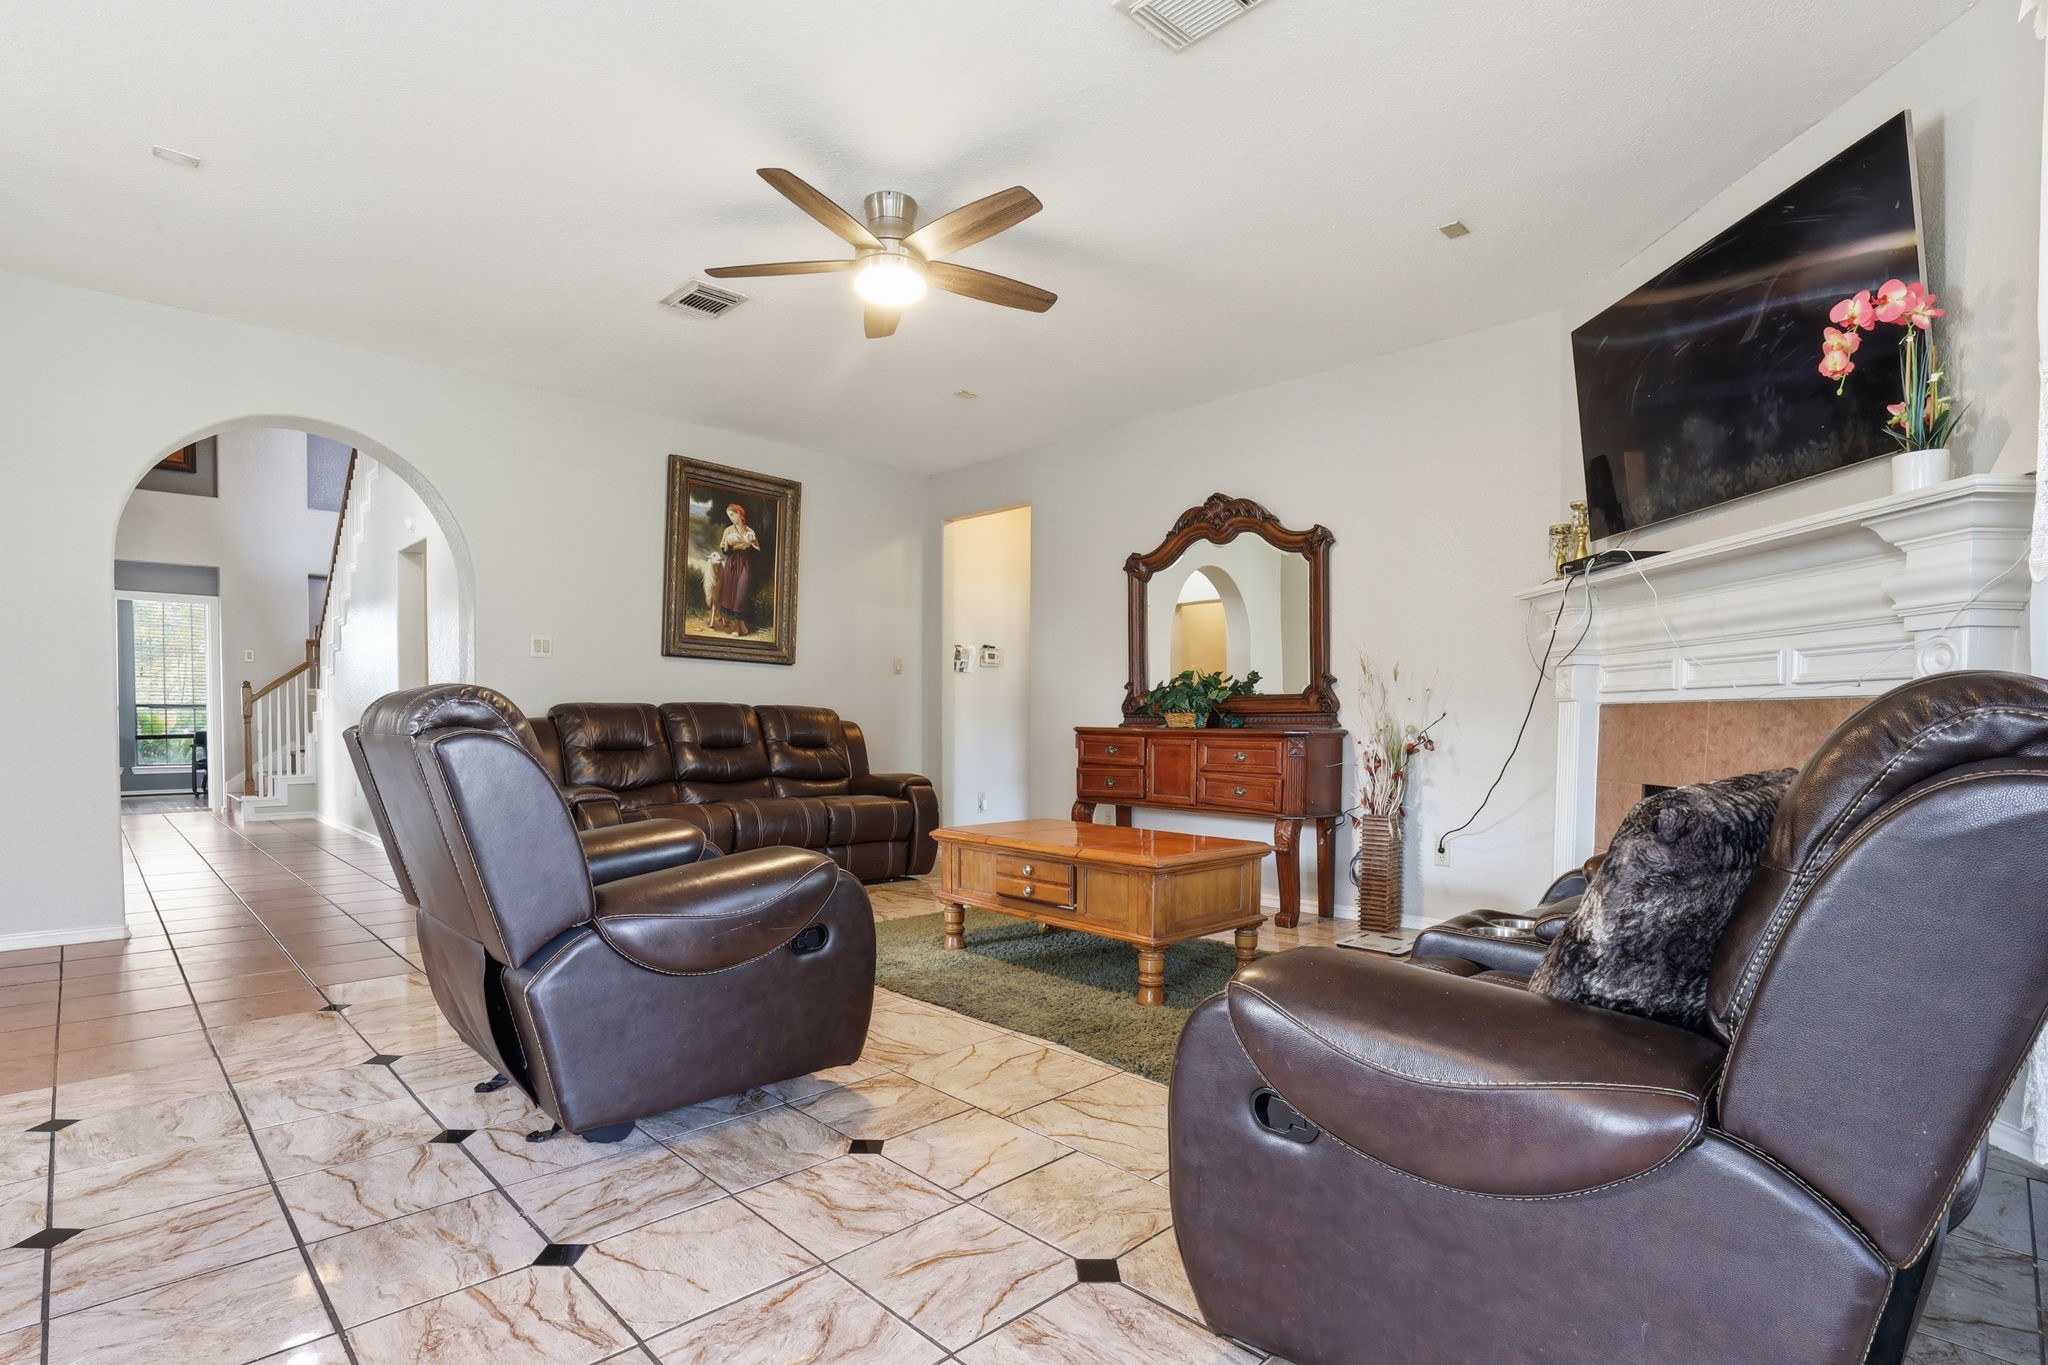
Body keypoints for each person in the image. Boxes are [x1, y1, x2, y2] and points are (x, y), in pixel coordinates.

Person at [708, 502, 761, 635]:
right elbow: (725, 550)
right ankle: (740, 628)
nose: (731, 518)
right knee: (731, 593)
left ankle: (740, 627)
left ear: (739, 514)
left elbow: (757, 550)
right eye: (729, 516)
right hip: (732, 563)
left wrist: (748, 545)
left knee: (741, 594)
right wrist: (729, 545)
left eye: (732, 515)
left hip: (744, 564)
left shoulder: (750, 531)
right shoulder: (728, 530)